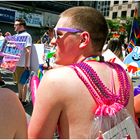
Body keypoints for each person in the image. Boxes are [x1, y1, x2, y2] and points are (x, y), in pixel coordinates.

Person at [28, 6, 136, 139]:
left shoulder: (55, 80)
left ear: (84, 39)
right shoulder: (123, 76)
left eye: (59, 34)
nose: (53, 41)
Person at [13, 18, 32, 106]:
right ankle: (20, 99)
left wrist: (27, 64)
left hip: (23, 64)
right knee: (19, 82)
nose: (14, 26)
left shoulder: (27, 36)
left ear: (21, 26)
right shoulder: (16, 36)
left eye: (16, 25)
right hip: (15, 63)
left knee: (23, 83)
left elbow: (28, 50)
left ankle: (23, 100)